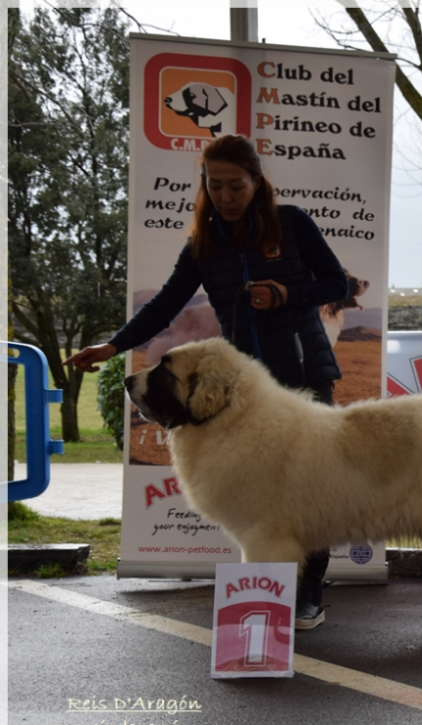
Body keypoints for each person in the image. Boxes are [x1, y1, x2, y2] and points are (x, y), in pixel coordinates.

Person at [64, 134, 349, 630]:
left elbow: (336, 284)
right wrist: (113, 345)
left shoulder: (294, 223)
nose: (225, 195)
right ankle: (267, 590)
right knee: (259, 496)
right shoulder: (202, 242)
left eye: (235, 185)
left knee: (313, 488)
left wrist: (284, 292)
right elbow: (165, 305)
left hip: (303, 373)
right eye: (214, 185)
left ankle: (309, 594)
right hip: (243, 390)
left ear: (257, 182)